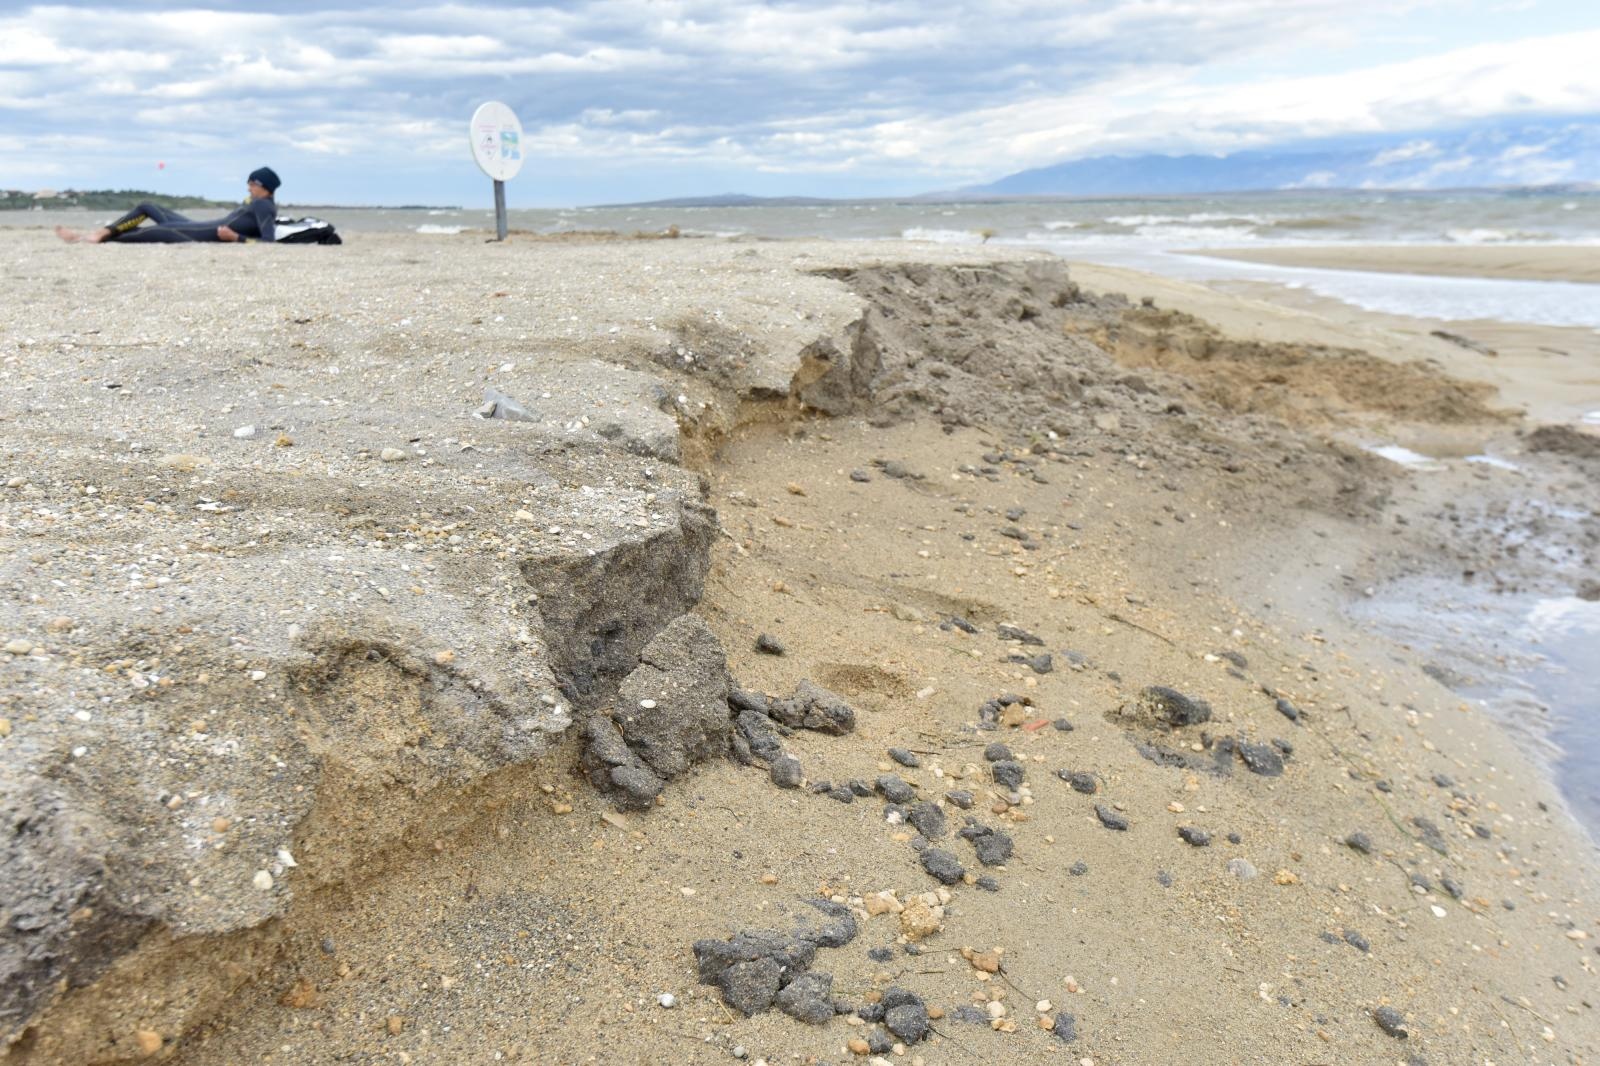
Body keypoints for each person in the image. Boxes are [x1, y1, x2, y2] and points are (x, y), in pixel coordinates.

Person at [55, 167, 280, 244]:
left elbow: (268, 241)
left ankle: (85, 237)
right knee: (147, 206)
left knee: (147, 232)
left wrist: (236, 238)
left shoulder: (264, 206)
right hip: (194, 226)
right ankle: (98, 234)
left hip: (194, 236)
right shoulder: (255, 201)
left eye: (252, 183)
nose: (248, 187)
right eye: (248, 182)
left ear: (265, 187)